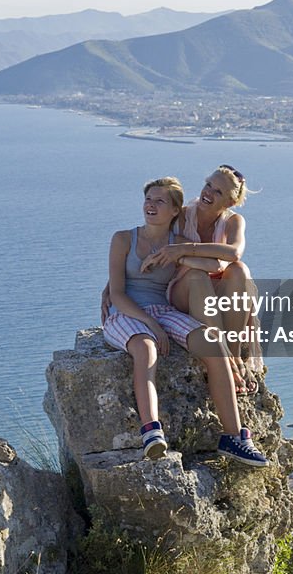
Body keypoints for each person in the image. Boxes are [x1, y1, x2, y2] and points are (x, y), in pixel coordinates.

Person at [102, 177, 268, 466]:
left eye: (159, 201)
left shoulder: (177, 243)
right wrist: (147, 322)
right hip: (128, 313)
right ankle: (152, 432)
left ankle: (235, 437)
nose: (151, 205)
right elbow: (118, 292)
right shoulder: (122, 238)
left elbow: (221, 262)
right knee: (146, 349)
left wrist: (180, 254)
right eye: (148, 199)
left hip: (164, 310)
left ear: (175, 211)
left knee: (214, 345)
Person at [146, 165, 261, 394]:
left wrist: (183, 253)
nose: (208, 192)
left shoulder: (233, 221)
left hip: (217, 296)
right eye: (208, 184)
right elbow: (147, 242)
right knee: (198, 276)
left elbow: (233, 254)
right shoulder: (181, 217)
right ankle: (227, 362)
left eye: (218, 191)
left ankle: (235, 355)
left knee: (239, 270)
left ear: (230, 202)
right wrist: (113, 284)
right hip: (183, 292)